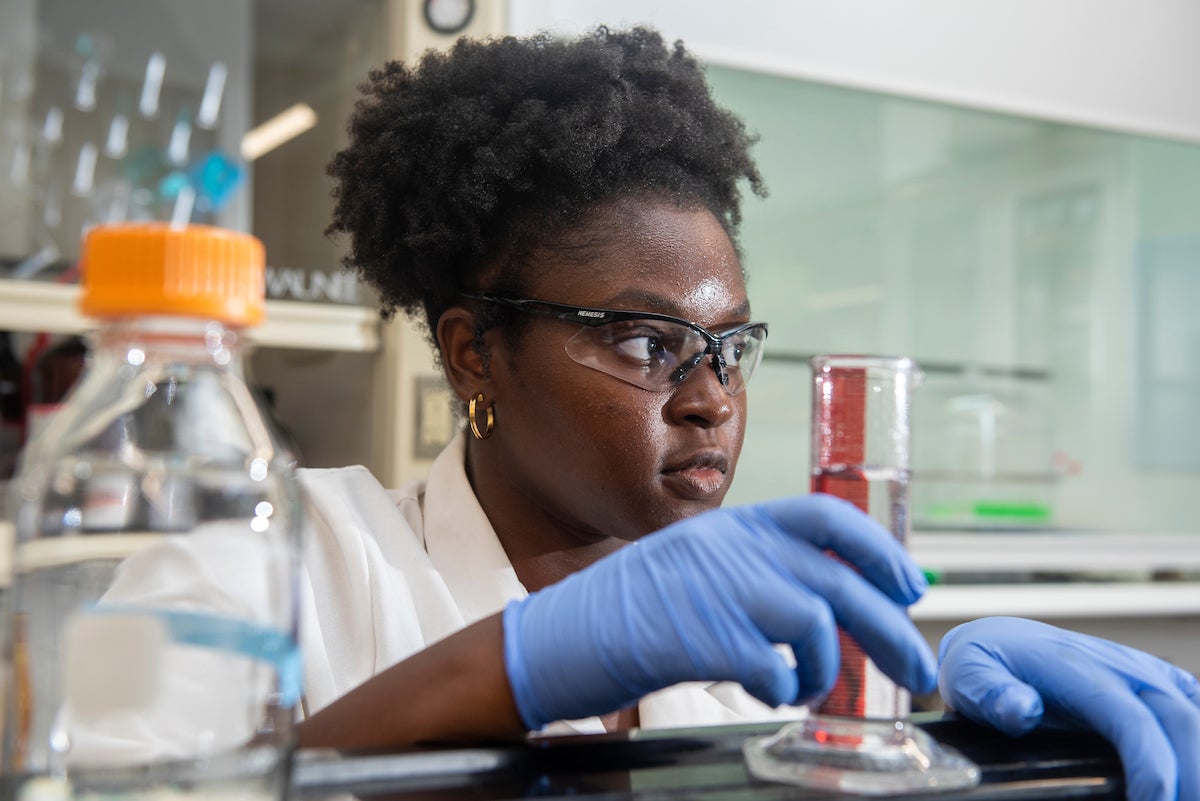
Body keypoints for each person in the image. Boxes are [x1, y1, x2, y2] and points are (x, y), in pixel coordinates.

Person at [288, 26, 1196, 801]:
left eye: (729, 346)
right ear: (473, 352)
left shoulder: (761, 669)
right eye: (648, 341)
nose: (713, 399)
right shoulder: (292, 565)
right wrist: (521, 661)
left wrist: (961, 733)